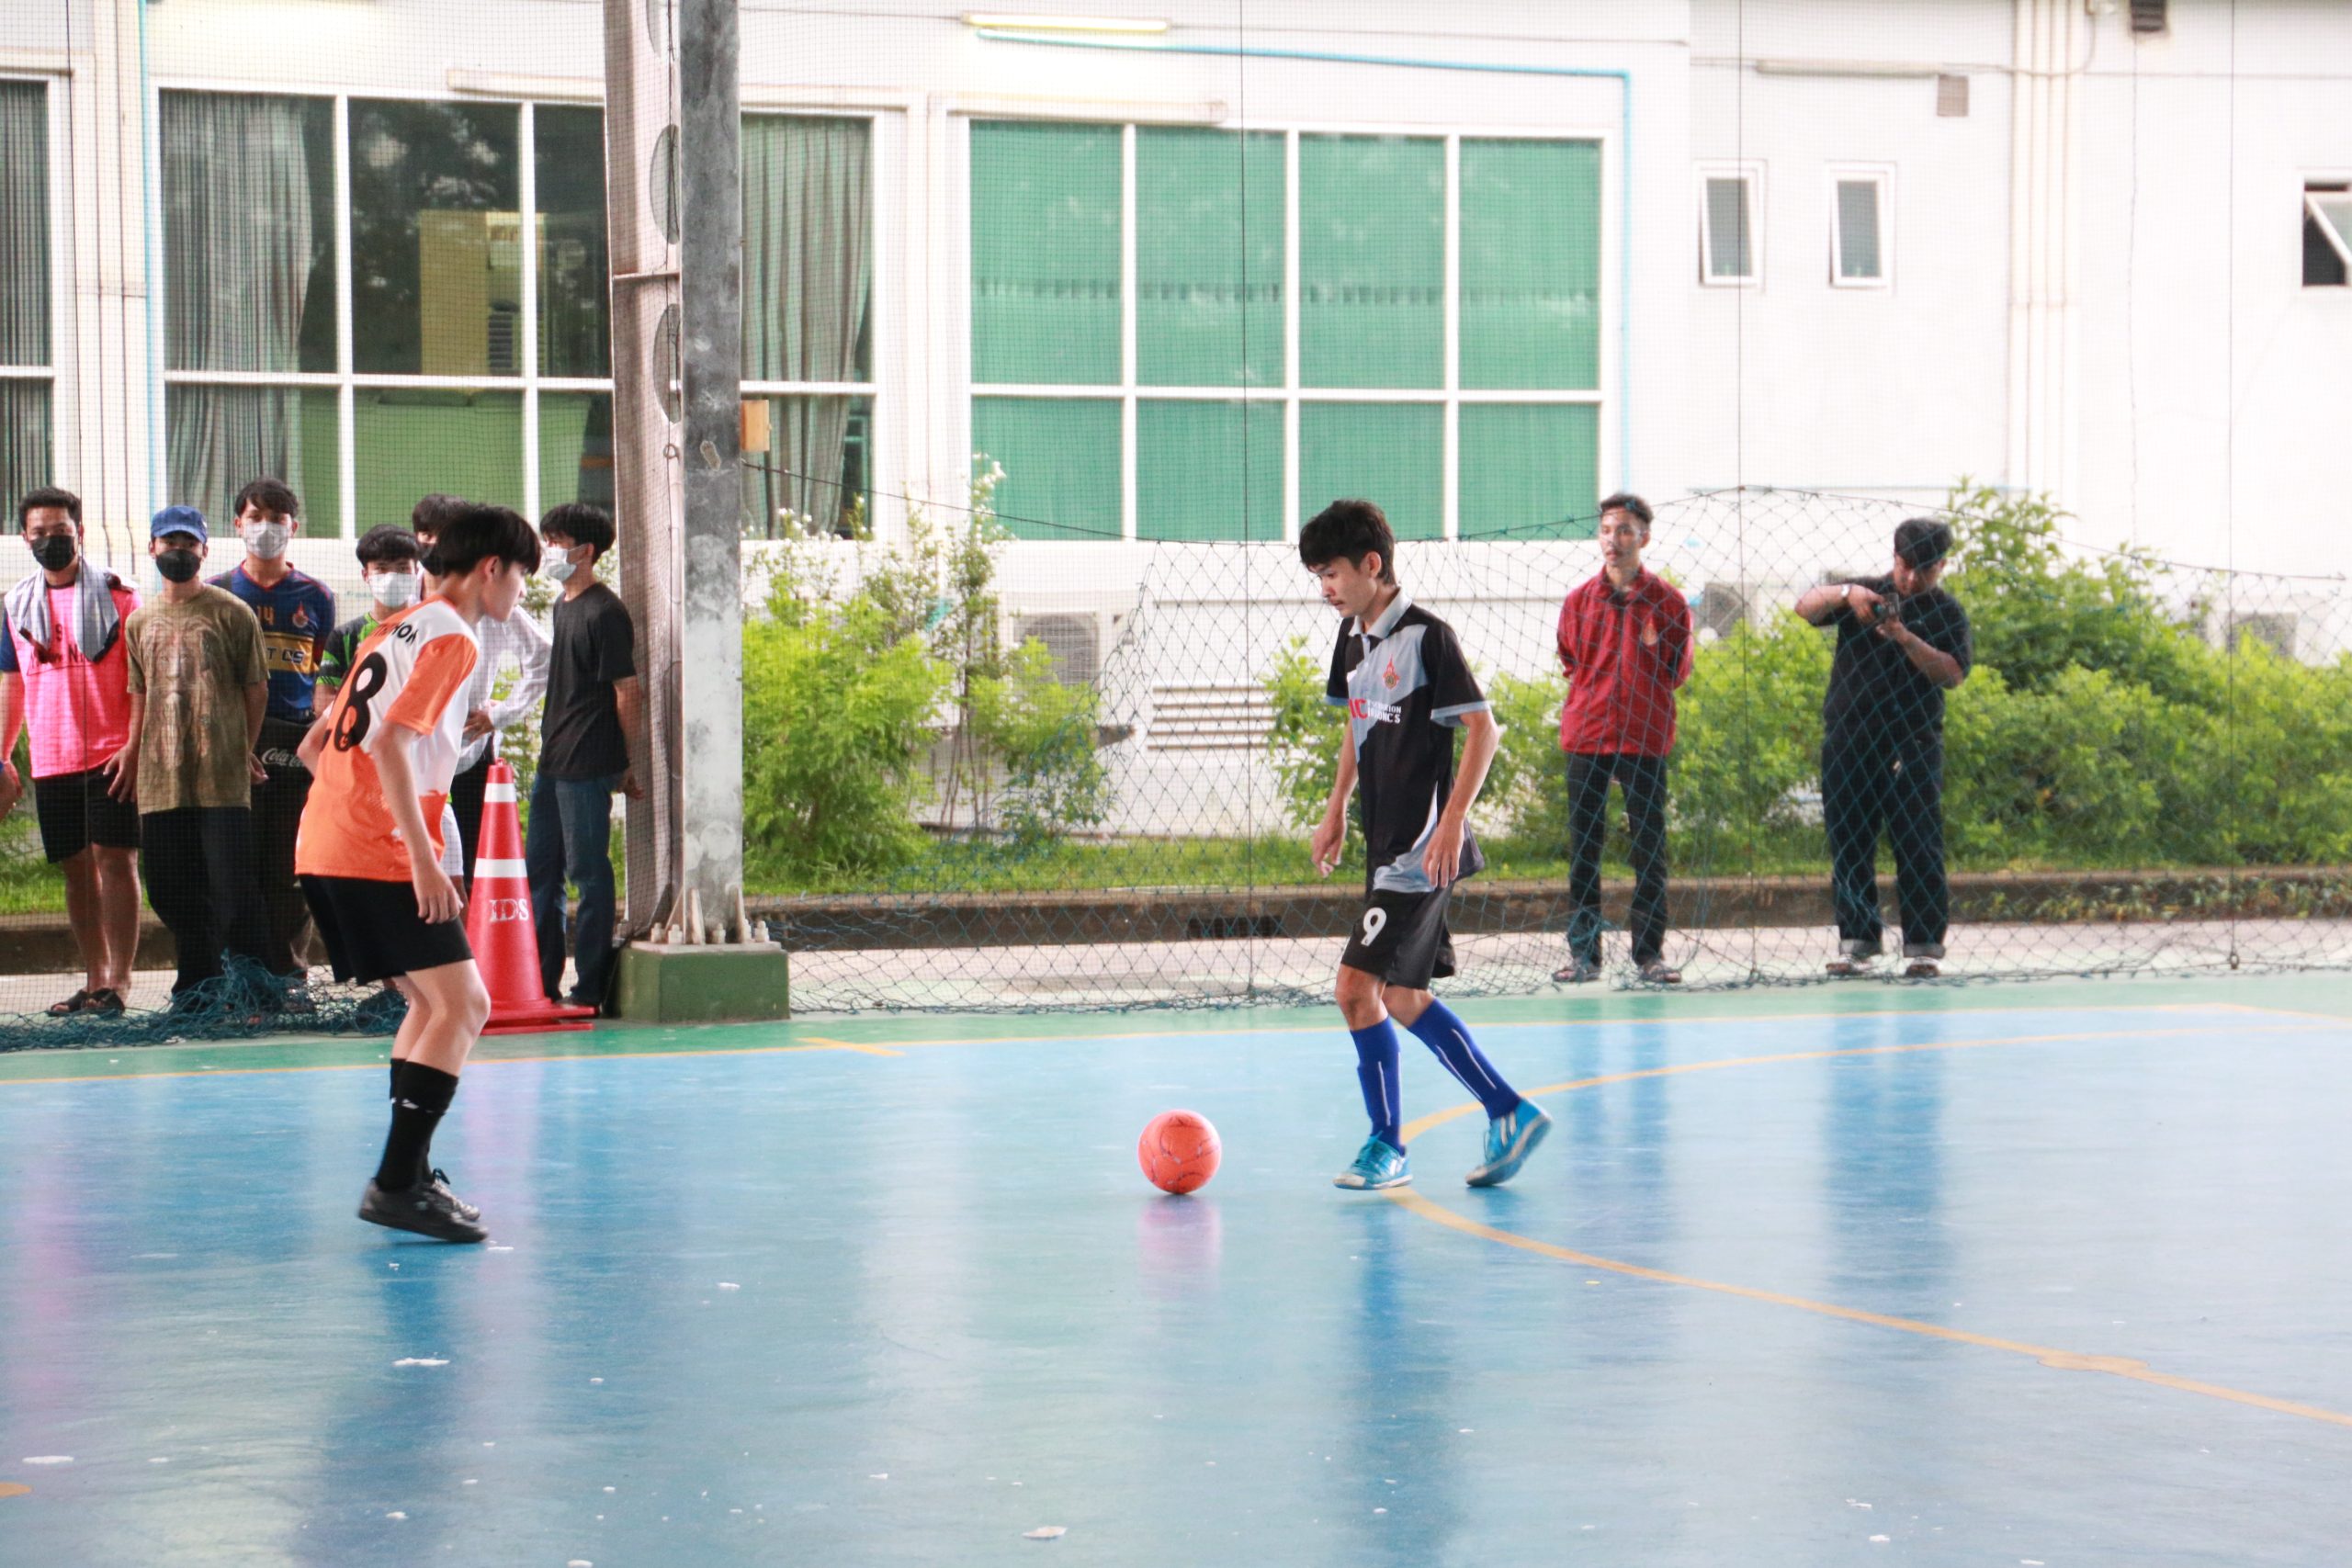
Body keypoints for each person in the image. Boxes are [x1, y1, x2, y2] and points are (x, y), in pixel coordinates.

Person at [298, 502, 537, 1244]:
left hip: (329, 842)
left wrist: (355, 820)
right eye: (521, 575)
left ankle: (409, 1172)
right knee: (465, 1004)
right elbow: (391, 744)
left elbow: (314, 746)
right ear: (491, 568)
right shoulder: (454, 636)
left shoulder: (391, 630)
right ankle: (397, 1183)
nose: (522, 591)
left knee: (431, 1004)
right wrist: (425, 858)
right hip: (375, 849)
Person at [1302, 499, 1551, 1192]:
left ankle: (1387, 1144)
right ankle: (1509, 1110)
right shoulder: (1353, 639)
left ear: (1371, 564)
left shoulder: (1427, 637)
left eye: (1331, 573)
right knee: (1405, 996)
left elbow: (1483, 730)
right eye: (1317, 576)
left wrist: (1452, 822)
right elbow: (1357, 724)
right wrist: (1336, 807)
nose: (1325, 588)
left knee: (1355, 990)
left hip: (1420, 851)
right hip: (1384, 845)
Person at [111, 505, 277, 1007]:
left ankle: (256, 993)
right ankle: (197, 992)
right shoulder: (138, 621)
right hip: (160, 780)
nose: (178, 552)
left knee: (232, 888)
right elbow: (139, 690)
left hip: (222, 779)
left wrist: (242, 749)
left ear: (204, 551)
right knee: (169, 889)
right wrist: (133, 749)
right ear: (152, 548)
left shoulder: (233, 612)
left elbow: (256, 688)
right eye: (170, 543)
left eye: (188, 544)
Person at [1794, 517, 1973, 979]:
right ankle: (1857, 942)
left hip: (1913, 742)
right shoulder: (1864, 594)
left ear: (1942, 566)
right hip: (1850, 737)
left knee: (1918, 842)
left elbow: (1953, 673)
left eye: (1924, 569)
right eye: (1904, 565)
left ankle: (1924, 946)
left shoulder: (1947, 612)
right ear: (1894, 557)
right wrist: (1846, 593)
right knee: (1850, 841)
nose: (1910, 578)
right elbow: (1804, 608)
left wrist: (1904, 636)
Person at [0, 487, 142, 1016]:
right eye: (39, 533)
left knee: (116, 860)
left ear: (78, 533)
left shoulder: (122, 597)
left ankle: (120, 983)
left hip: (112, 755)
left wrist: (135, 746)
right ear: (25, 538)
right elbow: (12, 684)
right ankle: (94, 978)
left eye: (60, 531)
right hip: (52, 758)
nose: (50, 540)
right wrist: (3, 757)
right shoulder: (14, 605)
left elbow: (142, 682)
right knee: (77, 869)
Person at [1552, 492, 1694, 986]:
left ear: (1644, 538)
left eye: (1626, 530)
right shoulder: (1578, 601)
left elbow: (1676, 670)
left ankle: (1649, 954)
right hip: (1587, 734)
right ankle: (1584, 955)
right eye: (1608, 529)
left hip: (1644, 737)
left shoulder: (1669, 603)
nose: (1614, 539)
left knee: (1649, 848)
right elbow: (1570, 659)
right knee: (1584, 850)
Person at [210, 478, 336, 984]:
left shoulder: (316, 596)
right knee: (232, 865)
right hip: (231, 740)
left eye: (277, 520)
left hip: (293, 740)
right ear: (237, 524)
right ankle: (239, 976)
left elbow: (321, 673)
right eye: (255, 517)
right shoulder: (217, 592)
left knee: (289, 864)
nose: (265, 528)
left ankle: (289, 975)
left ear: (293, 527)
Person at [527, 502, 644, 1010]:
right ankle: (540, 983)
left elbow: (627, 690)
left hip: (588, 762)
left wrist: (625, 761)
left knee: (588, 874)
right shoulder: (563, 604)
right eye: (548, 539)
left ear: (586, 550)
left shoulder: (606, 611)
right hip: (552, 761)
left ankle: (590, 987)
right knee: (541, 873)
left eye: (557, 541)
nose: (549, 549)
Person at [320, 524, 465, 899]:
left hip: (430, 790)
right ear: (365, 575)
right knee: (382, 893)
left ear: (417, 571)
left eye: (402, 568)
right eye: (382, 568)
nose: (392, 577)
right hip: (365, 796)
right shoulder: (347, 636)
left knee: (451, 890)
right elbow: (323, 713)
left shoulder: (436, 628)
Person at [413, 494, 549, 875]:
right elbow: (386, 739)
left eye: (444, 534)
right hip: (414, 761)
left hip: (469, 750)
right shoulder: (404, 617)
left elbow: (543, 657)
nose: (434, 543)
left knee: (471, 864)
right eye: (426, 533)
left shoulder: (491, 606)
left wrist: (501, 714)